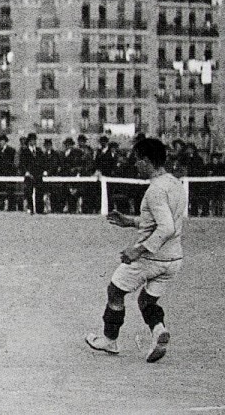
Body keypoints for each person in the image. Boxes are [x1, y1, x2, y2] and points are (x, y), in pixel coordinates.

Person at [85, 138, 185, 363]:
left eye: (137, 160)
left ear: (147, 161)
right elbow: (161, 221)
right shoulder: (175, 184)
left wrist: (138, 250)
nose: (135, 164)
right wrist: (130, 222)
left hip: (152, 258)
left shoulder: (155, 190)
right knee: (146, 301)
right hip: (174, 258)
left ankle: (110, 340)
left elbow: (165, 227)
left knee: (115, 291)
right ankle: (159, 330)